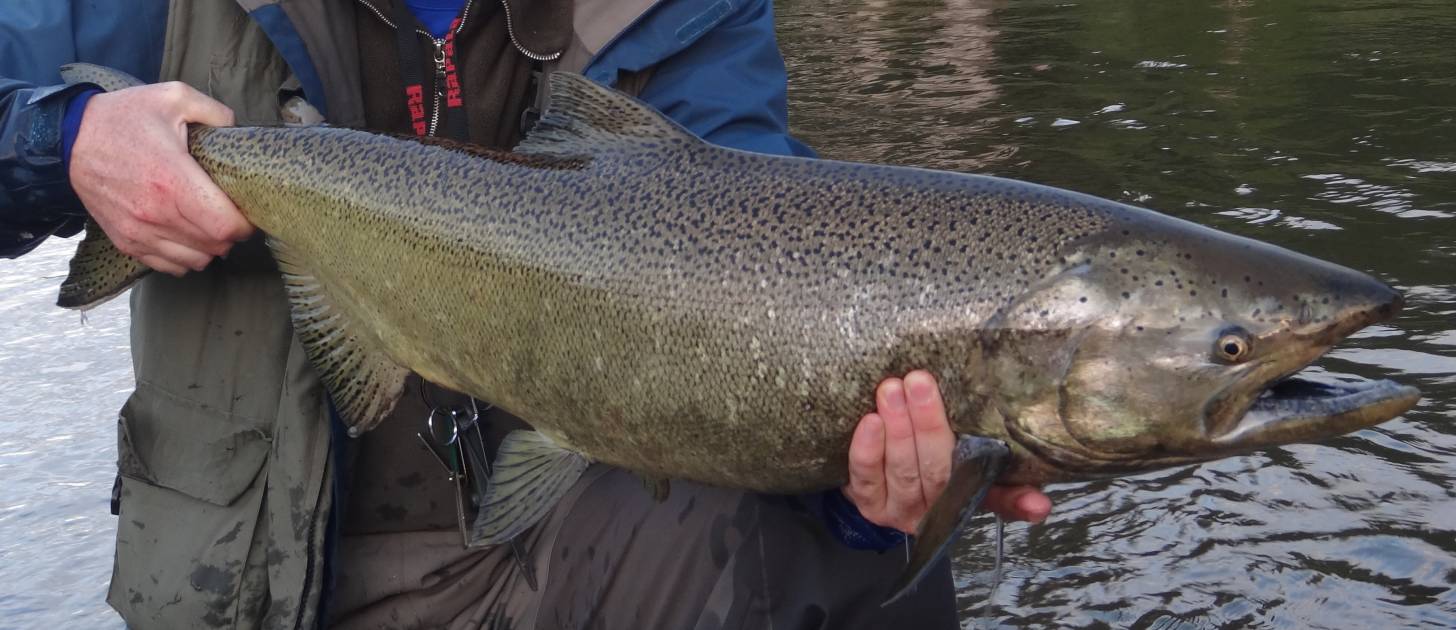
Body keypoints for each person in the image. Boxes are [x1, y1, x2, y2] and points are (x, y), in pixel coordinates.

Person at [0, 1, 1052, 628]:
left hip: (585, 542)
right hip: (263, 571)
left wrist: (853, 484)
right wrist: (70, 139)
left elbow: (762, 287)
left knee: (873, 574)